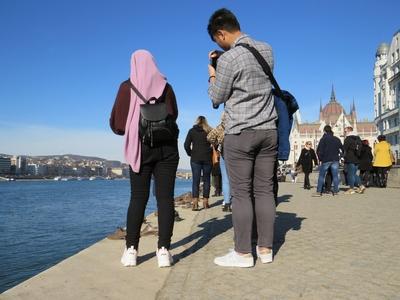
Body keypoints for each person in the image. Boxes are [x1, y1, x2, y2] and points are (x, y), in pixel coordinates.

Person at [207, 8, 277, 267]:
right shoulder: (267, 49)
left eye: (217, 39)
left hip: (240, 132)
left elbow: (216, 97)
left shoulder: (228, 59)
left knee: (241, 193)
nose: (218, 43)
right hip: (268, 129)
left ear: (221, 33)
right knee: (264, 190)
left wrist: (213, 73)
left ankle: (243, 253)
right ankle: (266, 249)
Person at [110, 50, 179, 268]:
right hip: (167, 148)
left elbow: (117, 124)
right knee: (165, 199)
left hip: (140, 148)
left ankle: (131, 250)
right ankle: (164, 251)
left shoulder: (126, 87)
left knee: (138, 198)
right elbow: (173, 115)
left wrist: (133, 124)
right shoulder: (166, 86)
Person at [184, 116, 213, 210]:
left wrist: (190, 153)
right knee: (207, 180)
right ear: (205, 122)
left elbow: (186, 145)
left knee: (195, 181)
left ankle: (195, 203)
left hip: (195, 158)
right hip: (207, 158)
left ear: (197, 121)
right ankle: (205, 202)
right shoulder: (209, 131)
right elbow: (215, 143)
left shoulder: (192, 131)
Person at [207, 112, 232, 212]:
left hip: (224, 152)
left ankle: (227, 203)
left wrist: (216, 143)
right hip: (238, 153)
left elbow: (209, 137)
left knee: (225, 179)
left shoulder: (220, 127)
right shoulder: (237, 124)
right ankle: (237, 201)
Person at [313, 125, 343, 197]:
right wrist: (340, 156)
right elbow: (343, 149)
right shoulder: (337, 139)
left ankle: (319, 192)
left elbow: (318, 150)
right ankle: (336, 191)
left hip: (326, 160)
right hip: (335, 159)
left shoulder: (323, 139)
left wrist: (320, 158)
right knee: (335, 176)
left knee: (321, 176)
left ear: (325, 131)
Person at [343, 126, 365, 194]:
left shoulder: (348, 139)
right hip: (357, 159)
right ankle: (361, 186)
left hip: (350, 158)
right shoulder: (358, 138)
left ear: (349, 131)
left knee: (350, 174)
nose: (344, 132)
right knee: (354, 174)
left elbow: (344, 148)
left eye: (345, 131)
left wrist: (342, 157)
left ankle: (351, 189)